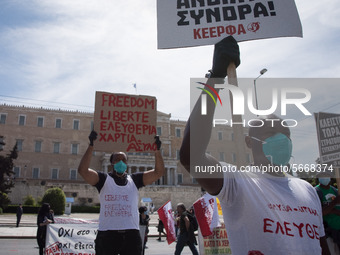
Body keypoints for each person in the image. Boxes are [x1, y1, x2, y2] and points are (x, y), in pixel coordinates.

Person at [179, 36, 329, 254]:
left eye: (286, 134)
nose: (281, 140)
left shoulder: (308, 190)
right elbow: (192, 155)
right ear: (249, 142)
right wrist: (216, 80)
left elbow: (320, 244)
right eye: (271, 133)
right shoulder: (238, 184)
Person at [78, 131, 165, 255]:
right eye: (117, 159)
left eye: (124, 160)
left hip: (131, 235)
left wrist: (157, 150)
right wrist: (91, 145)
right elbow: (83, 171)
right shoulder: (103, 179)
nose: (121, 162)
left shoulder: (135, 179)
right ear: (111, 162)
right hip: (107, 234)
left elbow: (158, 173)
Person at [315, 172, 340, 251]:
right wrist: (334, 202)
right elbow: (320, 213)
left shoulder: (335, 191)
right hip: (328, 232)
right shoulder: (316, 192)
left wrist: (332, 210)